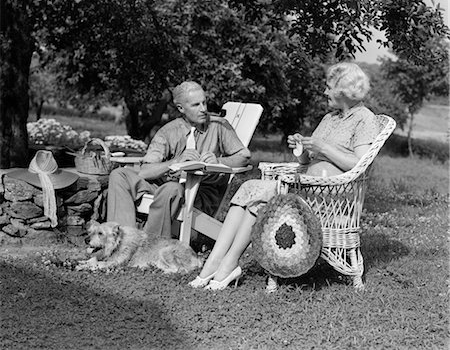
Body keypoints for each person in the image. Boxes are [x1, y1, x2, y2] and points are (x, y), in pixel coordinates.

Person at [189, 62, 380, 290]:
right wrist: (301, 149)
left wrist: (324, 148)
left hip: (332, 199)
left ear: (344, 90)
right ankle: (215, 262)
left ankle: (227, 264)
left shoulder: (364, 119)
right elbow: (308, 160)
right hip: (308, 188)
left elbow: (361, 165)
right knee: (249, 188)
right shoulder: (330, 118)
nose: (325, 92)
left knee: (259, 198)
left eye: (329, 87)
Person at [107, 81, 251, 239]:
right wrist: (175, 162)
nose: (203, 109)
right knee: (119, 175)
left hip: (199, 193)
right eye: (196, 105)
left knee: (170, 189)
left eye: (204, 102)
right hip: (169, 186)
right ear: (181, 108)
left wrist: (218, 161)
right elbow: (145, 171)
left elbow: (243, 157)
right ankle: (123, 239)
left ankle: (152, 247)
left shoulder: (219, 126)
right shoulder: (169, 131)